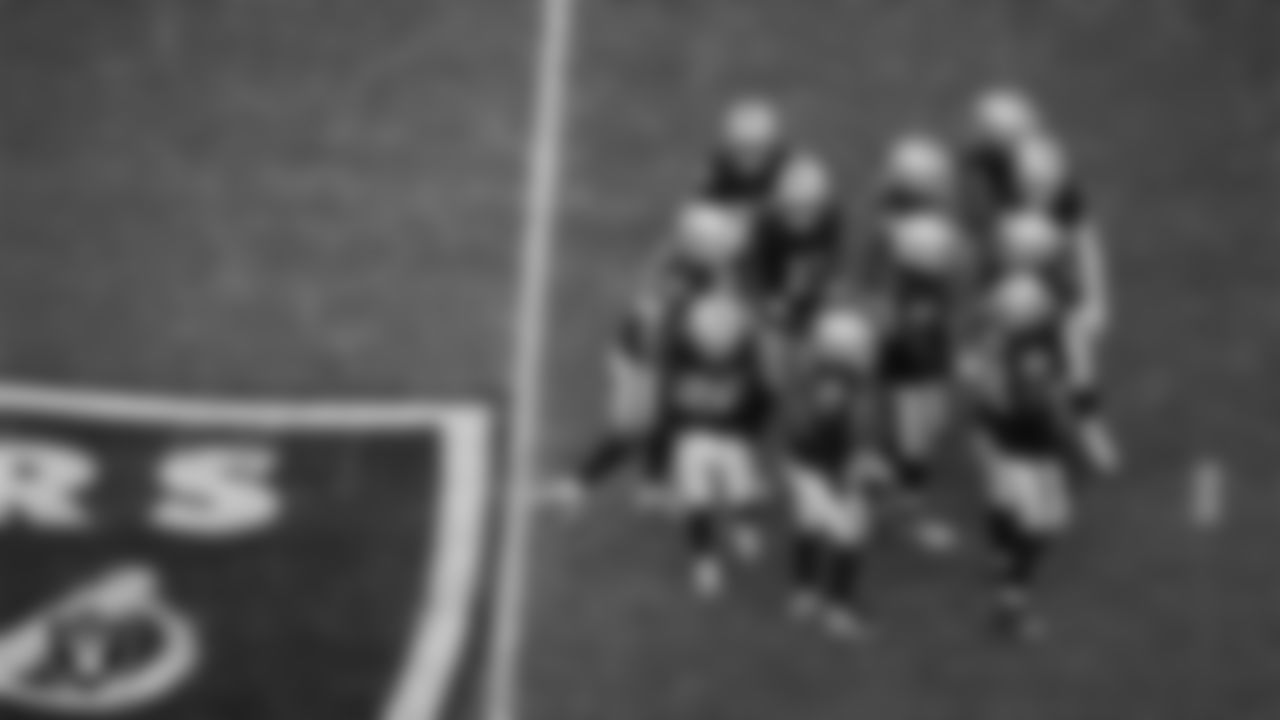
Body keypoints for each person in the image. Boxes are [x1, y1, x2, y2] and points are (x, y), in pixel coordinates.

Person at [964, 272, 1085, 640]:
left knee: (1005, 504)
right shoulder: (1027, 349)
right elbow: (1039, 401)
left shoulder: (997, 341)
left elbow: (983, 386)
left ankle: (1001, 559)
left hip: (999, 440)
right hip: (1025, 449)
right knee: (1040, 525)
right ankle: (1010, 606)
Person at [780, 302, 888, 639]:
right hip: (827, 470)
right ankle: (836, 609)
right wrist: (854, 474)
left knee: (809, 527)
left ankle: (805, 594)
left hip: (807, 465)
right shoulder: (838, 381)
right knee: (848, 539)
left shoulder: (812, 368)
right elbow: (836, 433)